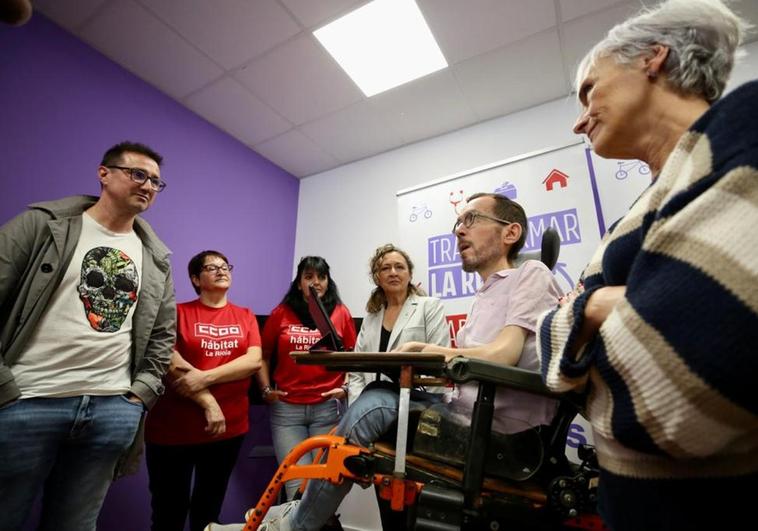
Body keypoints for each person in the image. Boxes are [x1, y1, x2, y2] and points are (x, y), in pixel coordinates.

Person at [207, 193, 563, 531]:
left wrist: (430, 351)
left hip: (502, 434)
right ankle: (300, 513)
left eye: (471, 219)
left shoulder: (531, 272)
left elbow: (504, 355)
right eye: (457, 222)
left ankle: (299, 523)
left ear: (511, 233)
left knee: (375, 403)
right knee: (372, 399)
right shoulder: (485, 293)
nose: (459, 230)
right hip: (461, 411)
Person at [536, 1, 758, 529]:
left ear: (652, 60)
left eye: (590, 90)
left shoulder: (744, 128)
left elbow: (687, 391)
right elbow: (552, 357)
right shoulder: (631, 219)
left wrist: (581, 324)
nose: (578, 119)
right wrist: (609, 306)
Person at [0, 141, 176, 531]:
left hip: (111, 409)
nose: (148, 185)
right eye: (138, 174)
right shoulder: (42, 225)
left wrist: (139, 395)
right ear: (104, 173)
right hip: (27, 401)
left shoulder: (155, 255)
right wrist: (5, 387)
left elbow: (163, 333)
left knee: (76, 525)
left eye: (156, 182)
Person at [145, 250, 262, 531]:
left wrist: (204, 377)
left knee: (208, 512)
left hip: (227, 431)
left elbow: (253, 361)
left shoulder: (245, 315)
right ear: (196, 279)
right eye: (212, 267)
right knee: (168, 513)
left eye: (225, 266)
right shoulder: (177, 313)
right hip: (173, 431)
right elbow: (169, 362)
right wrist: (209, 402)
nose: (222, 270)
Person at [257, 256, 357, 500]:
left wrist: (346, 388)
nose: (315, 282)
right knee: (296, 486)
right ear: (299, 282)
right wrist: (267, 390)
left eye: (321, 277)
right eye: (309, 277)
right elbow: (263, 356)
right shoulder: (281, 313)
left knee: (323, 484)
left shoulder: (341, 313)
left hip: (327, 409)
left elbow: (354, 357)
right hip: (286, 412)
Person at [346, 243, 449, 405]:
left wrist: (425, 409)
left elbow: (439, 362)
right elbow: (357, 372)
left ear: (410, 275)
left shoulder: (429, 306)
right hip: (370, 406)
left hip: (416, 404)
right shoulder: (371, 318)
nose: (393, 272)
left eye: (399, 267)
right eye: (385, 268)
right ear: (377, 278)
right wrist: (358, 406)